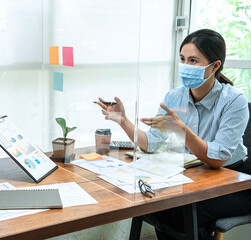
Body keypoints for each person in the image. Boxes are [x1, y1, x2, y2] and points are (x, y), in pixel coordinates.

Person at [96, 29, 250, 239]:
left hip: (234, 180)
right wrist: (123, 121)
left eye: (194, 60)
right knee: (157, 203)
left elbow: (218, 158)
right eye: (183, 59)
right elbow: (151, 143)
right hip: (196, 175)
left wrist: (181, 131)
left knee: (181, 212)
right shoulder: (174, 96)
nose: (186, 66)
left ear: (215, 66)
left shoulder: (234, 101)